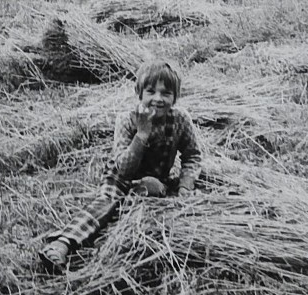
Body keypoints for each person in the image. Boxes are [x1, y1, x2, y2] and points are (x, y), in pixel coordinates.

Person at [38, 59, 201, 273]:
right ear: (139, 93)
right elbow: (123, 168)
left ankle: (142, 194)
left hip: (156, 180)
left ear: (175, 97)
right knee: (107, 203)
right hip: (121, 176)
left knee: (162, 194)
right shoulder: (127, 120)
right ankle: (62, 244)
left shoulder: (180, 119)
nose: (158, 99)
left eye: (166, 93)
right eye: (151, 91)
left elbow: (192, 155)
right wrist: (142, 134)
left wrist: (185, 186)